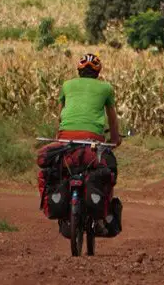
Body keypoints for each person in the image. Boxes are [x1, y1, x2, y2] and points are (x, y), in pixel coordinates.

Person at [57, 53, 122, 237]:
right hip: (92, 139)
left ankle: (64, 213)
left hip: (65, 138)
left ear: (79, 71)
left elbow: (60, 116)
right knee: (107, 171)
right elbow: (112, 118)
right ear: (98, 73)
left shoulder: (67, 86)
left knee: (62, 171)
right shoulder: (106, 88)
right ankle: (101, 219)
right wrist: (115, 139)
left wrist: (58, 137)